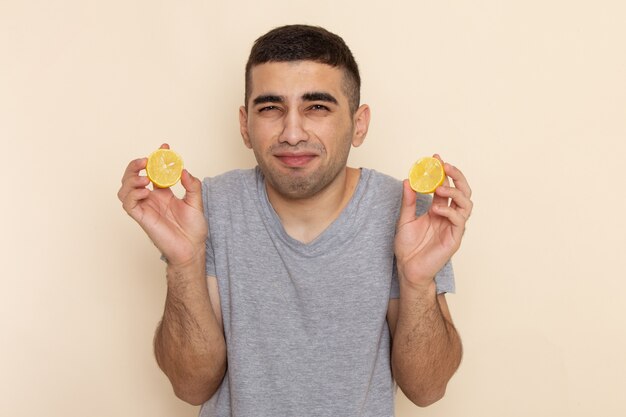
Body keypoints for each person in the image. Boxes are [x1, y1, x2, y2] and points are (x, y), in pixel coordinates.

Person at [118, 24, 473, 417]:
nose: (291, 132)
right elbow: (190, 386)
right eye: (271, 108)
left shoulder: (407, 213)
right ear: (244, 125)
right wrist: (185, 265)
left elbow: (427, 389)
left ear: (359, 124)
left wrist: (417, 282)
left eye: (316, 107)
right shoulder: (207, 207)